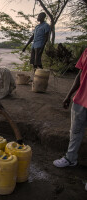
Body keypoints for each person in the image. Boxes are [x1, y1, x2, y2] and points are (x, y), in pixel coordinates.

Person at [53, 48, 87, 191]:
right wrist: (68, 95)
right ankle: (70, 158)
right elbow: (80, 75)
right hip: (80, 100)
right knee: (75, 132)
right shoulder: (86, 51)